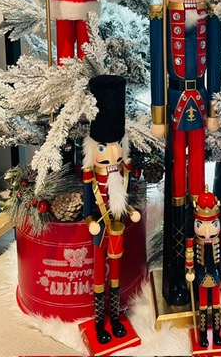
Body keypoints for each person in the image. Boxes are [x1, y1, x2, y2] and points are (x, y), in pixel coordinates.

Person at [149, 0, 221, 305]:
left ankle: (203, 269)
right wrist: (158, 113)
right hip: (176, 100)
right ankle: (177, 271)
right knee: (176, 178)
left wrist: (213, 109)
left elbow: (215, 67)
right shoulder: (162, 17)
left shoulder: (210, 18)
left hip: (198, 100)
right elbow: (157, 65)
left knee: (199, 180)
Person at [82, 74, 140, 345]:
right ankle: (98, 322)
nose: (112, 152)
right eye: (105, 147)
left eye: (116, 146)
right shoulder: (91, 177)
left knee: (115, 273)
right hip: (99, 230)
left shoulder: (123, 173)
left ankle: (115, 318)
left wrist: (131, 211)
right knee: (98, 275)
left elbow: (125, 199)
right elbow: (87, 206)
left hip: (116, 226)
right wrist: (90, 221)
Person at [185, 187, 221, 348]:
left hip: (216, 274)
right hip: (201, 275)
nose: (206, 230)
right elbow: (189, 255)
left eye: (213, 224)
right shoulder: (193, 241)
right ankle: (203, 334)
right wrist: (189, 270)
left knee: (217, 304)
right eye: (200, 224)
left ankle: (217, 333)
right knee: (202, 305)